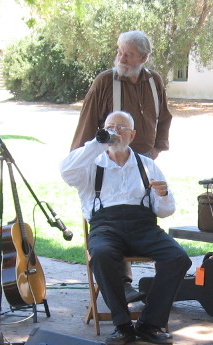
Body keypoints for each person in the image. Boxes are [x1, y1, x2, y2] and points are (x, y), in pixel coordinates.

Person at [61, 110, 191, 345]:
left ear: (132, 135)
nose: (116, 132)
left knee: (178, 258)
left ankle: (150, 323)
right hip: (106, 228)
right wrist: (98, 144)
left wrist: (163, 194)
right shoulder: (90, 163)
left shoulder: (147, 165)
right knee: (101, 255)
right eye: (111, 127)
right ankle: (122, 325)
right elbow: (66, 172)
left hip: (143, 227)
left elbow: (164, 211)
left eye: (121, 128)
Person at [69, 30, 173, 303]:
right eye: (119, 51)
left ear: (144, 57)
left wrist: (156, 150)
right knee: (113, 213)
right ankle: (122, 283)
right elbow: (88, 120)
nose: (121, 58)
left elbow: (164, 117)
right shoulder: (106, 81)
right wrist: (82, 160)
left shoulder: (154, 81)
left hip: (142, 163)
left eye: (127, 54)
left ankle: (153, 292)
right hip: (108, 161)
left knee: (141, 213)